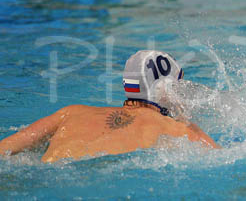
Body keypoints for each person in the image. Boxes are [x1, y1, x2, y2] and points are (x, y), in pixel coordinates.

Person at [0, 50, 219, 163]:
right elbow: (222, 159)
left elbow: (5, 149)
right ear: (165, 88)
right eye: (178, 87)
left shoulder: (71, 112)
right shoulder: (179, 130)